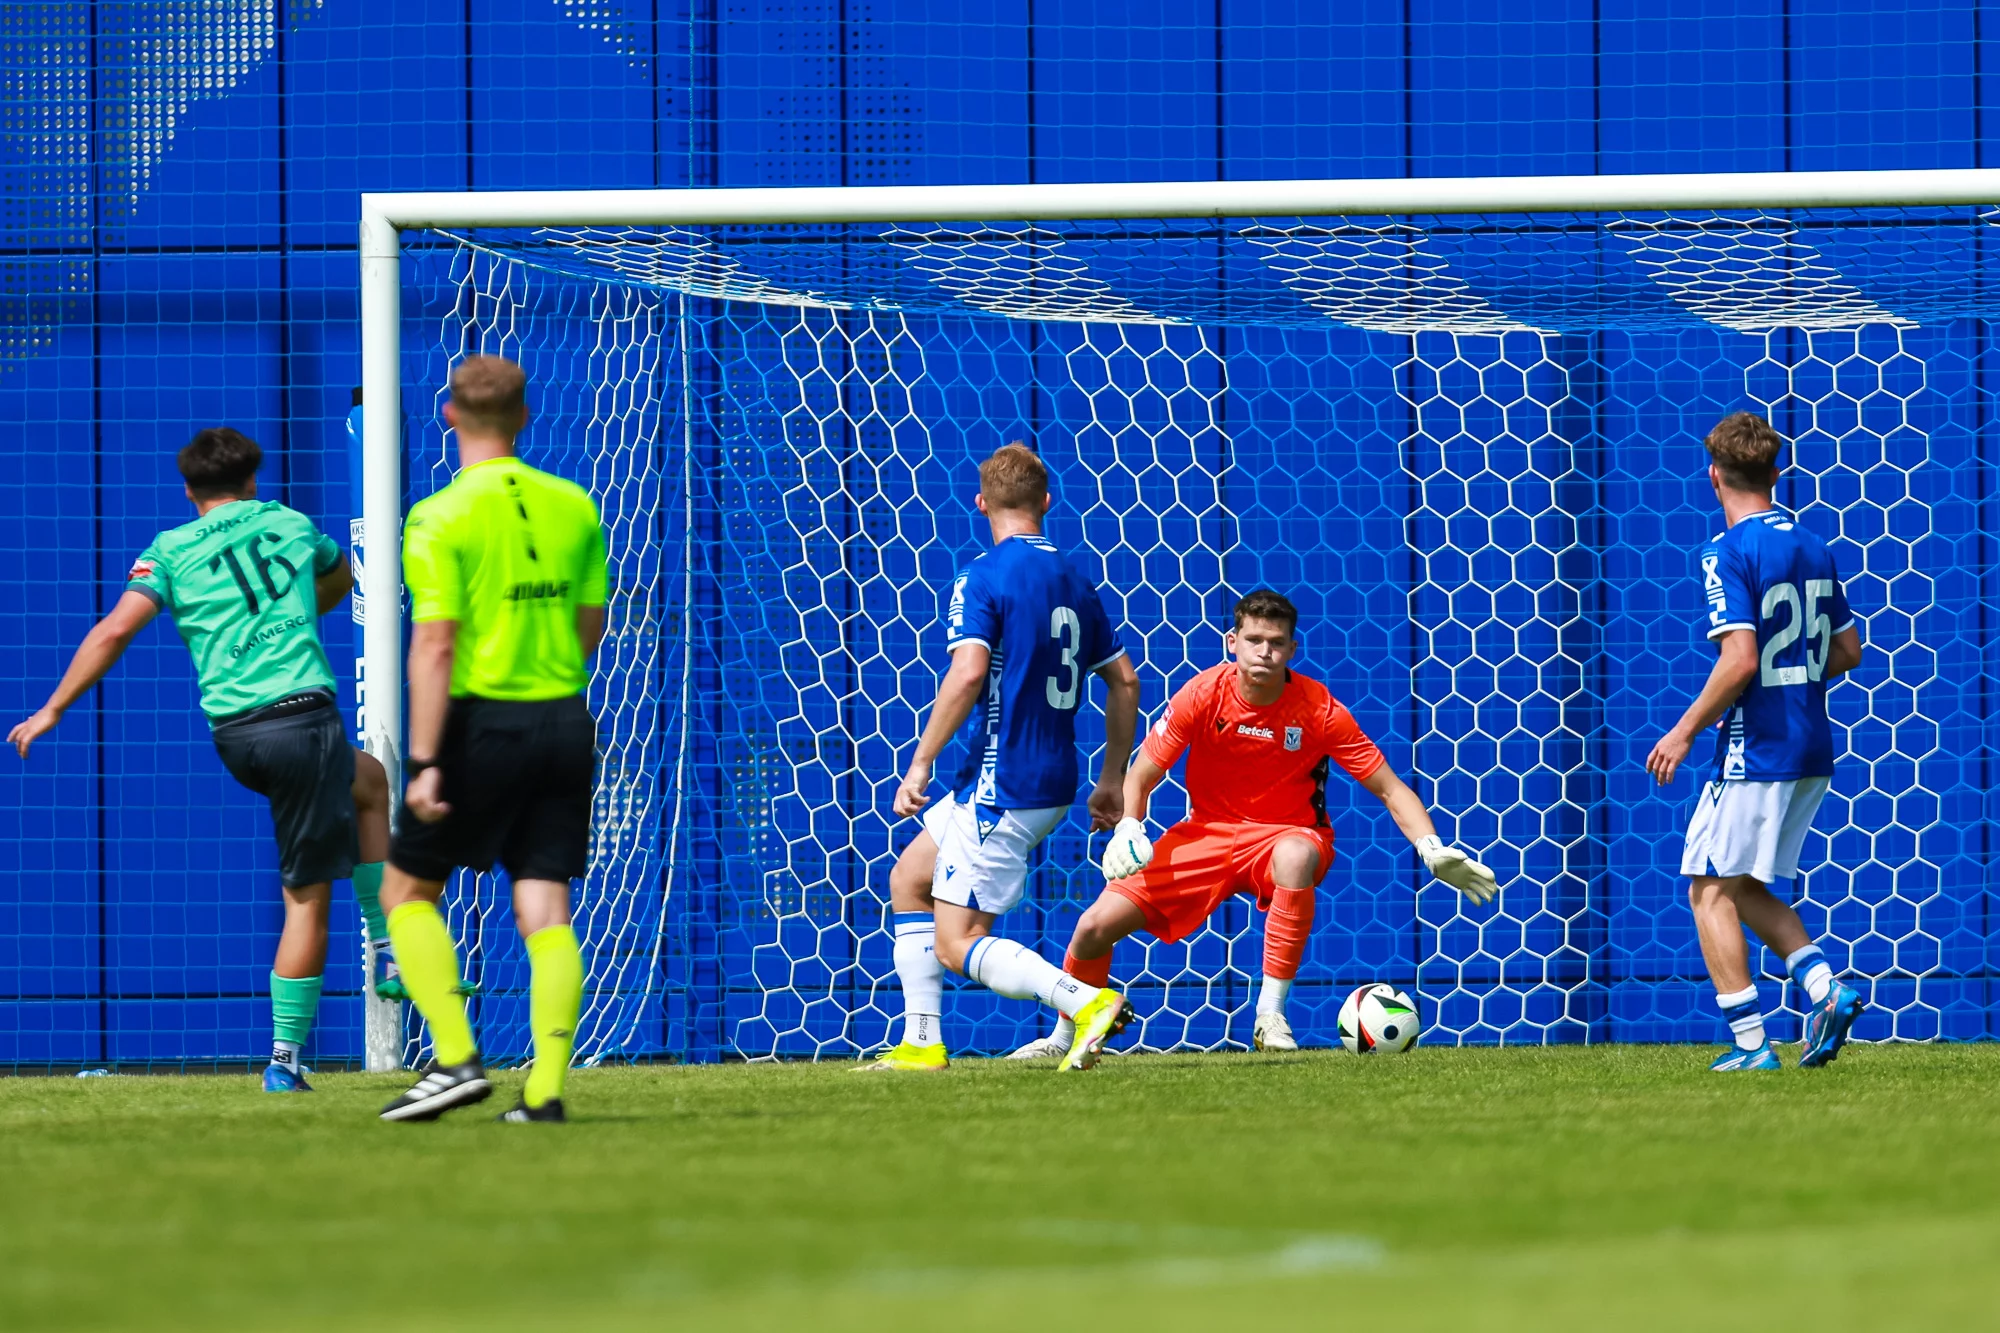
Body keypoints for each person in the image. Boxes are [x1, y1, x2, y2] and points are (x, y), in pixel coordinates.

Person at [8, 427, 390, 1092]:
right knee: (307, 901)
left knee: (368, 780)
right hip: (301, 719)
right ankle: (289, 1056)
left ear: (189, 490)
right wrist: (298, 612)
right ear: (253, 480)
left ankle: (389, 948)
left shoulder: (169, 549)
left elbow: (114, 629)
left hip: (238, 736)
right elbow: (340, 574)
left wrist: (53, 708)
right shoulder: (289, 523)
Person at [1010, 589, 1497, 1059]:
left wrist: (1430, 847)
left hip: (1285, 834)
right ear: (1232, 641)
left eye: (1277, 642)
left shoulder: (1320, 709)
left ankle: (1270, 1015)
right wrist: (1130, 827)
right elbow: (1141, 774)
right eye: (1254, 640)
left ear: (1292, 648)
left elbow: (1390, 788)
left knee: (1295, 855)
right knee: (1093, 926)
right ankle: (1066, 1034)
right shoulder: (1202, 694)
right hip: (1206, 834)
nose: (1265, 651)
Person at [374, 356, 607, 1124]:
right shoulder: (574, 503)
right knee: (545, 904)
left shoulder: (438, 515)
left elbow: (435, 643)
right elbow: (590, 624)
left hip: (482, 722)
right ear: (525, 416)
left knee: (405, 891)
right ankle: (544, 1092)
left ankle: (455, 1059)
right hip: (564, 718)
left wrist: (424, 761)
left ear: (449, 414)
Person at [866, 442, 1142, 1073]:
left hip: (1004, 784)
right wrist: (1111, 780)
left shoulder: (982, 575)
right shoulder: (1076, 578)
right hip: (1045, 779)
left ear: (981, 503)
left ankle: (1084, 1001)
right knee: (910, 880)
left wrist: (919, 763)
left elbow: (968, 673)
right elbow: (1124, 681)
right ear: (1046, 501)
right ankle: (921, 1042)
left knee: (959, 942)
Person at [1645, 412, 1867, 1071]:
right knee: (1740, 886)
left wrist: (1684, 730)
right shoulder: (1814, 544)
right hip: (1811, 746)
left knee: (1707, 890)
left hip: (1758, 748)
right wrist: (1783, 685)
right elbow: (1847, 651)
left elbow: (1740, 658)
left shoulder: (1727, 551)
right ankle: (1826, 990)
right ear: (1775, 473)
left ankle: (1751, 1047)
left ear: (1713, 475)